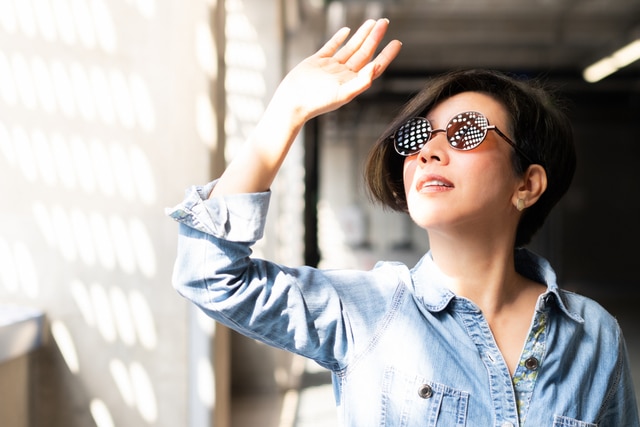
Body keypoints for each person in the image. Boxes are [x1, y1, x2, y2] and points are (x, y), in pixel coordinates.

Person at [168, 18, 639, 426]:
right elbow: (210, 274)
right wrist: (286, 112)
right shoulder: (366, 312)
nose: (428, 150)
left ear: (527, 184)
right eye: (418, 135)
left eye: (465, 132)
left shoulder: (593, 336)